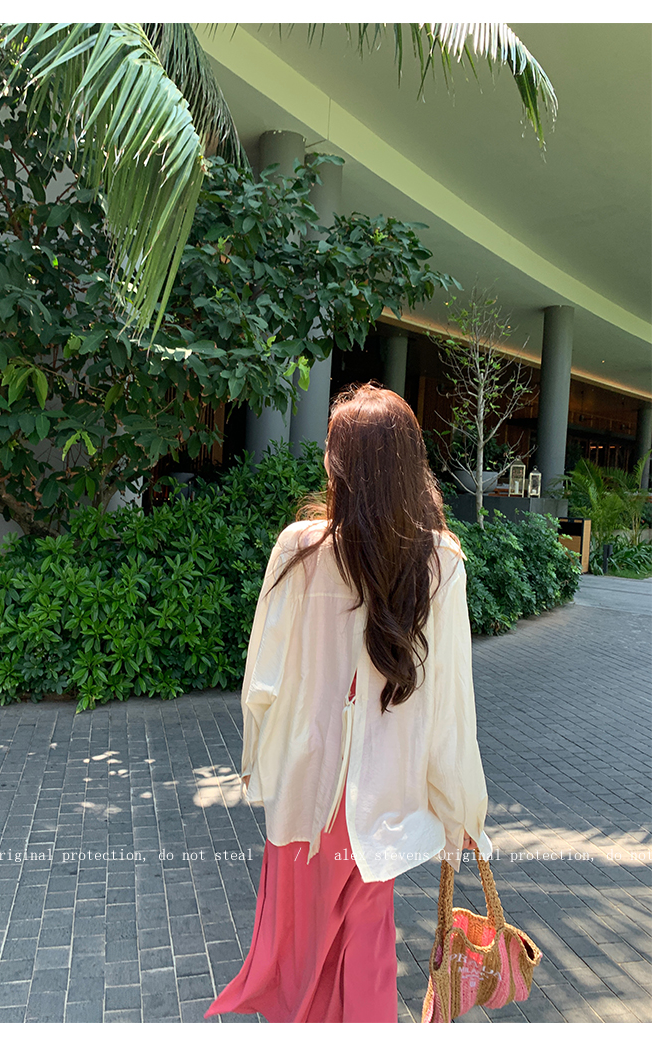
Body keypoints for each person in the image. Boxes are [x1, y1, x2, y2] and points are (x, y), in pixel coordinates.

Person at [204, 382, 491, 1024]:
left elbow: (262, 679)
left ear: (337, 465)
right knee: (365, 951)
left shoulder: (300, 550)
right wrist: (462, 810)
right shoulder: (441, 561)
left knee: (301, 951)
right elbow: (451, 707)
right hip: (381, 795)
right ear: (412, 464)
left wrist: (257, 766)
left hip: (308, 790)